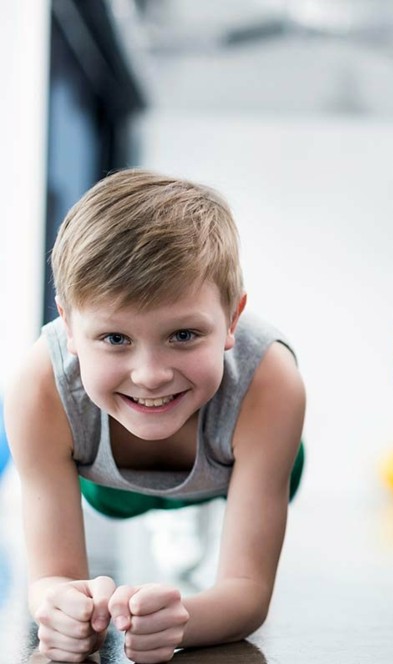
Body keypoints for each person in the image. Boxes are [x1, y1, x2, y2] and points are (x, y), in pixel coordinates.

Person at [5, 169, 305, 663]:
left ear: (232, 319)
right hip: (107, 488)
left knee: (281, 467)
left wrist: (182, 618)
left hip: (228, 472)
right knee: (114, 498)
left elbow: (247, 592)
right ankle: (171, 517)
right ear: (70, 328)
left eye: (183, 335)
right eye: (115, 339)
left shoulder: (270, 382)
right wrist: (60, 609)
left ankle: (196, 517)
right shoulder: (38, 387)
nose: (149, 376)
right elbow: (50, 578)